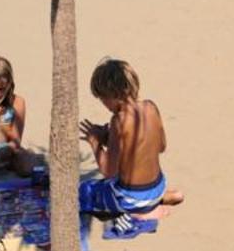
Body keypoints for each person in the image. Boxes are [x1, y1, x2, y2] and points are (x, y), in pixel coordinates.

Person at [78, 59, 184, 216]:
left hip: (131, 199)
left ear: (112, 95)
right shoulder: (150, 107)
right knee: (143, 192)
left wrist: (95, 142)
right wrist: (109, 139)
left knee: (83, 191)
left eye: (103, 99)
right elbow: (161, 146)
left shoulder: (118, 121)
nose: (103, 104)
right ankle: (161, 198)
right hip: (158, 186)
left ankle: (144, 211)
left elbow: (109, 171)